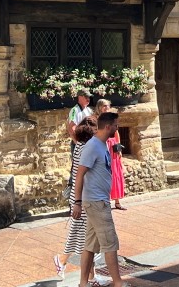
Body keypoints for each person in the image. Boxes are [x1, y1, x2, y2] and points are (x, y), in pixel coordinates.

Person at [72, 112, 127, 287]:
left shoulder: (102, 144)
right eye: (116, 125)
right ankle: (118, 283)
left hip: (98, 201)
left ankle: (83, 283)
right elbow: (80, 175)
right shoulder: (93, 146)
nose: (118, 128)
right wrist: (77, 202)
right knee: (110, 243)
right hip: (96, 203)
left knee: (90, 245)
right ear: (108, 127)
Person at [54, 116, 99, 283]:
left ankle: (63, 260)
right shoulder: (85, 148)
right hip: (82, 197)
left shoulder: (82, 146)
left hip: (81, 196)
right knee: (86, 238)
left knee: (84, 236)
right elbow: (83, 175)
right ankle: (64, 260)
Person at [96, 99, 127, 210]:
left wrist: (119, 148)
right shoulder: (97, 120)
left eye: (108, 106)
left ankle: (117, 201)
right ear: (99, 107)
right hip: (103, 145)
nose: (106, 108)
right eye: (104, 106)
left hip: (113, 146)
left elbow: (116, 133)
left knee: (115, 173)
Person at [66, 88, 93, 155]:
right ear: (80, 97)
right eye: (86, 97)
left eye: (89, 97)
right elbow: (71, 128)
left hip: (88, 142)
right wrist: (78, 144)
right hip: (80, 143)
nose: (88, 99)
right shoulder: (75, 110)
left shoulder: (89, 110)